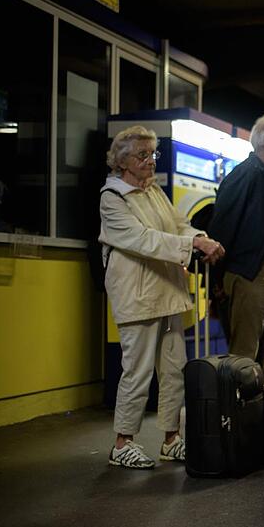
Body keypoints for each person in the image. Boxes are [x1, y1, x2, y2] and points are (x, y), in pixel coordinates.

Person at [99, 126, 225, 468]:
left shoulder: (153, 191)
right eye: (143, 155)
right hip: (137, 297)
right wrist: (192, 245)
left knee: (173, 371)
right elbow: (143, 240)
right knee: (137, 372)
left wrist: (199, 236)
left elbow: (177, 224)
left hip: (167, 292)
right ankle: (123, 442)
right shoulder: (113, 198)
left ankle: (171, 438)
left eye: (153, 154)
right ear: (123, 161)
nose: (150, 161)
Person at [208, 114, 264, 374]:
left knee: (260, 350)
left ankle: (257, 408)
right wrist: (216, 281)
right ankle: (238, 411)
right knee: (244, 352)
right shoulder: (247, 175)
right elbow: (221, 228)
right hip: (248, 273)